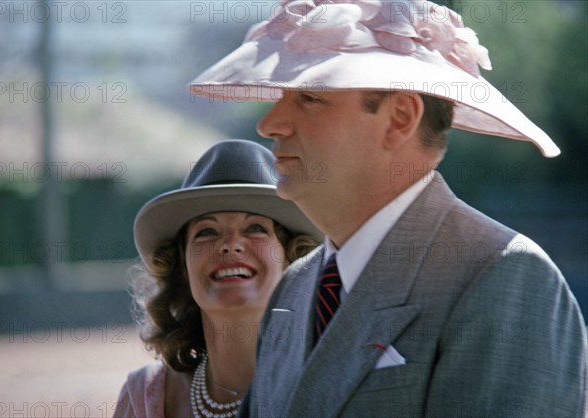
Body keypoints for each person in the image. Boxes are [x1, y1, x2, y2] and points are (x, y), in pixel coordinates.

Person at [188, 1, 587, 417]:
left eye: (309, 97)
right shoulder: (294, 287)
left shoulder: (502, 275)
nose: (270, 124)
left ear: (399, 118)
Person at [113, 140, 321, 418]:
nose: (231, 244)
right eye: (207, 232)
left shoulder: (326, 388)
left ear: (292, 260)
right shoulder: (143, 398)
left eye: (255, 228)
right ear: (182, 267)